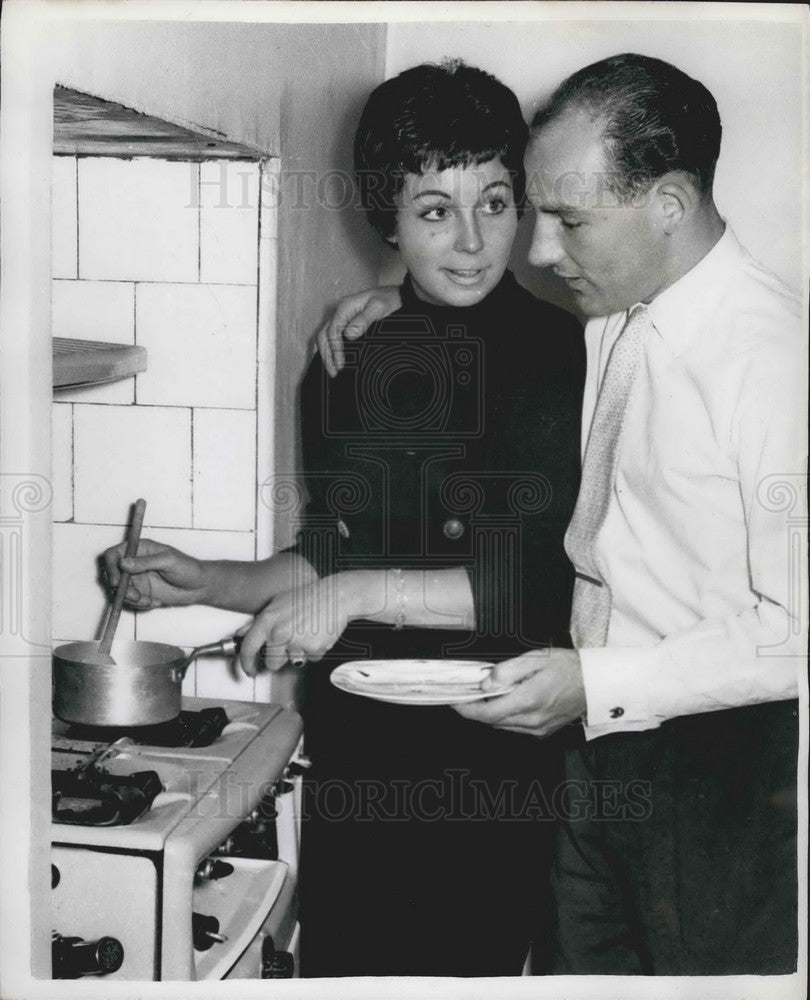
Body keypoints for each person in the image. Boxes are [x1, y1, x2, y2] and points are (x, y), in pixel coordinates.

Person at [316, 53, 805, 976]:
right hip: (594, 763)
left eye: (568, 220)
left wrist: (604, 683)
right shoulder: (616, 318)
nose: (538, 251)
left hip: (719, 776)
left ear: (667, 203)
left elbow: (800, 631)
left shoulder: (774, 362)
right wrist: (395, 306)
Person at [104, 59, 585, 977]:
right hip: (364, 759)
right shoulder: (348, 360)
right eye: (435, 210)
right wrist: (211, 582)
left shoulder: (560, 356)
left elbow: (537, 581)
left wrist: (362, 590)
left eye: (494, 200)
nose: (475, 239)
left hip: (496, 760)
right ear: (388, 219)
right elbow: (329, 553)